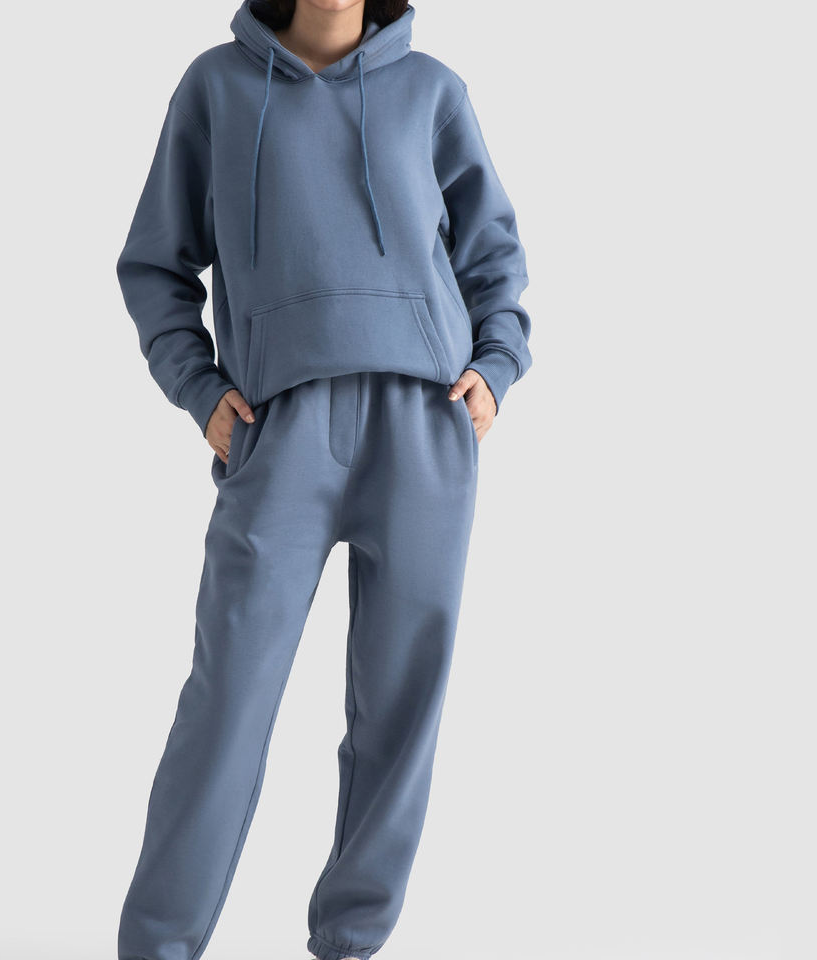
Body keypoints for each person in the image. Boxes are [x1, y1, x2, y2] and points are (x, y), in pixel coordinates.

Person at [114, 1, 532, 958]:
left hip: (423, 424)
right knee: (226, 703)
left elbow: (494, 256)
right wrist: (200, 391)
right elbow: (154, 266)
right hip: (278, 430)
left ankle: (351, 944)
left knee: (400, 709)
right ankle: (157, 946)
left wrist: (497, 365)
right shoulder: (217, 88)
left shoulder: (432, 92)